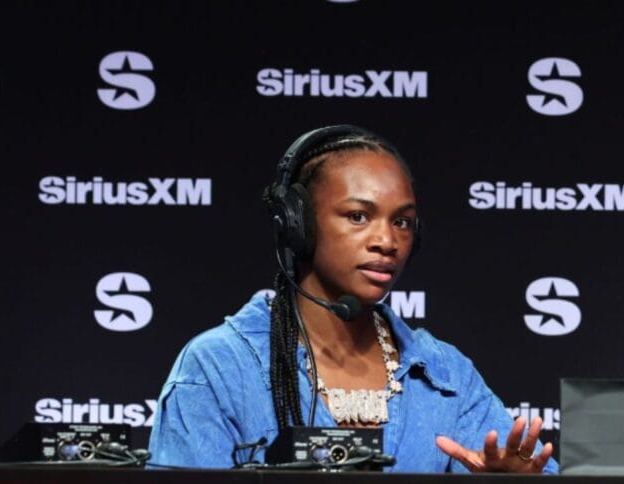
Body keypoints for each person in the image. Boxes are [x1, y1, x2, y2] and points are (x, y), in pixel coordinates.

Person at [147, 125, 558, 474]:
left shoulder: (445, 373)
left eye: (402, 222)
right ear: (298, 225)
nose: (386, 241)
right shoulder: (219, 365)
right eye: (358, 216)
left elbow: (518, 464)